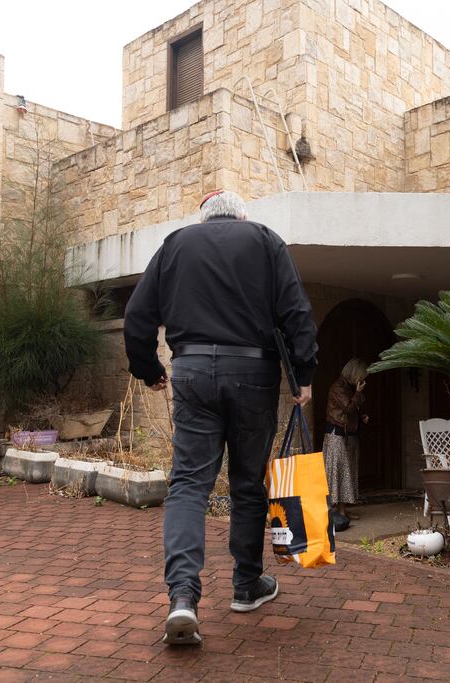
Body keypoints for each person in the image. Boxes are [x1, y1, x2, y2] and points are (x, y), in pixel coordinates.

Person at [123, 190, 317, 646]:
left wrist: (150, 369)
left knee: (189, 484)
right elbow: (297, 312)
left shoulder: (176, 244)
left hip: (191, 370)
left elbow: (136, 316)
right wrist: (303, 375)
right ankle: (247, 586)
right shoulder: (265, 240)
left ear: (204, 219)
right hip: (253, 372)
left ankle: (182, 597)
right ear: (242, 216)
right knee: (248, 483)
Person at [324, 358, 369, 522]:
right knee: (336, 473)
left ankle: (343, 510)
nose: (363, 380)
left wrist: (361, 417)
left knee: (345, 473)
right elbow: (348, 408)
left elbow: (352, 410)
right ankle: (335, 512)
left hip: (346, 435)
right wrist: (358, 393)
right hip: (335, 436)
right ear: (354, 373)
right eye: (361, 376)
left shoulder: (348, 387)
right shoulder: (338, 387)